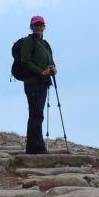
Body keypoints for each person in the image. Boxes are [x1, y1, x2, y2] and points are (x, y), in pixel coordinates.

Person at [18, 15, 56, 154]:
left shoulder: (45, 44)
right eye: (36, 25)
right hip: (33, 83)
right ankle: (36, 147)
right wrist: (41, 72)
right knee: (36, 114)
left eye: (41, 25)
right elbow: (25, 62)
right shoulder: (29, 41)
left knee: (37, 114)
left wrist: (53, 68)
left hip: (43, 83)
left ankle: (35, 147)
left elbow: (50, 60)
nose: (39, 27)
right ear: (32, 27)